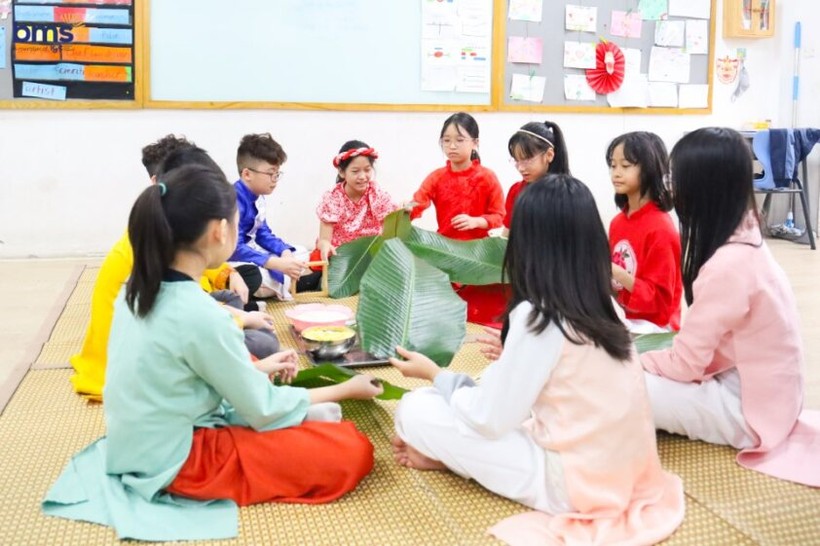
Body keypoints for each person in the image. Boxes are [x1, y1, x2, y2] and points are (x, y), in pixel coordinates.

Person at [43, 163, 384, 542]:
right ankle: (306, 420)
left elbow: (180, 371)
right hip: (181, 459)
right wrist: (347, 389)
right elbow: (263, 409)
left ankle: (300, 414)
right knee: (351, 450)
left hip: (136, 443)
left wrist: (258, 369)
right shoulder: (203, 315)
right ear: (220, 230)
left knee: (255, 360)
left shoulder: (136, 289)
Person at [390, 174, 685, 544]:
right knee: (474, 394)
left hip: (573, 483)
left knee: (414, 408)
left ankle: (450, 458)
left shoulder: (539, 315)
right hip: (627, 472)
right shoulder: (605, 304)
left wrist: (435, 375)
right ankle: (451, 456)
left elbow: (489, 419)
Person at [641, 127, 820, 487]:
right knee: (647, 337)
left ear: (701, 188)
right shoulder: (745, 236)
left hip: (749, 413)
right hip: (762, 393)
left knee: (620, 381)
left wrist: (629, 358)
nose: (670, 186)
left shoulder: (729, 265)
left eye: (674, 177)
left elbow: (685, 365)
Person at [68, 134, 253, 400]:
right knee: (258, 341)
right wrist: (241, 320)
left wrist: (229, 273)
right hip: (142, 365)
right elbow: (182, 312)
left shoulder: (162, 223)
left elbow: (197, 277)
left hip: (174, 322)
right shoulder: (150, 241)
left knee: (235, 298)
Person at [228, 133, 320, 301]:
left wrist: (284, 252)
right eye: (271, 174)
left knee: (299, 251)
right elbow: (234, 248)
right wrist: (273, 262)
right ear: (247, 174)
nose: (275, 180)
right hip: (234, 258)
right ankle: (294, 283)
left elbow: (263, 234)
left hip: (252, 251)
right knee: (252, 274)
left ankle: (288, 281)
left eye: (277, 174)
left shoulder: (258, 196)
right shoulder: (232, 200)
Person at [607, 131, 682, 333]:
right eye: (613, 165)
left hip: (655, 328)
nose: (616, 173)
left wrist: (614, 271)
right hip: (625, 318)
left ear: (649, 169)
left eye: (625, 166)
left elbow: (659, 301)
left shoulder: (661, 228)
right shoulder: (617, 222)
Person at [408, 112, 505, 241]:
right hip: (445, 247)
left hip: (479, 249)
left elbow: (499, 216)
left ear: (475, 142)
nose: (452, 146)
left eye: (459, 140)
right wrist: (406, 208)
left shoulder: (487, 177)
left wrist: (477, 221)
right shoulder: (436, 177)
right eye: (446, 140)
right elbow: (418, 203)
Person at [314, 140, 396, 261]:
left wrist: (403, 211)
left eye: (367, 170)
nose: (362, 176)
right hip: (340, 257)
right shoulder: (333, 198)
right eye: (355, 171)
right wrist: (326, 246)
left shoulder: (377, 194)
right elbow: (324, 240)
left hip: (371, 255)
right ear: (342, 172)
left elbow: (390, 231)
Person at [502, 120, 570, 236]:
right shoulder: (516, 191)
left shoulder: (567, 195)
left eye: (526, 160)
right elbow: (507, 234)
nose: (521, 168)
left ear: (549, 155)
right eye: (516, 160)